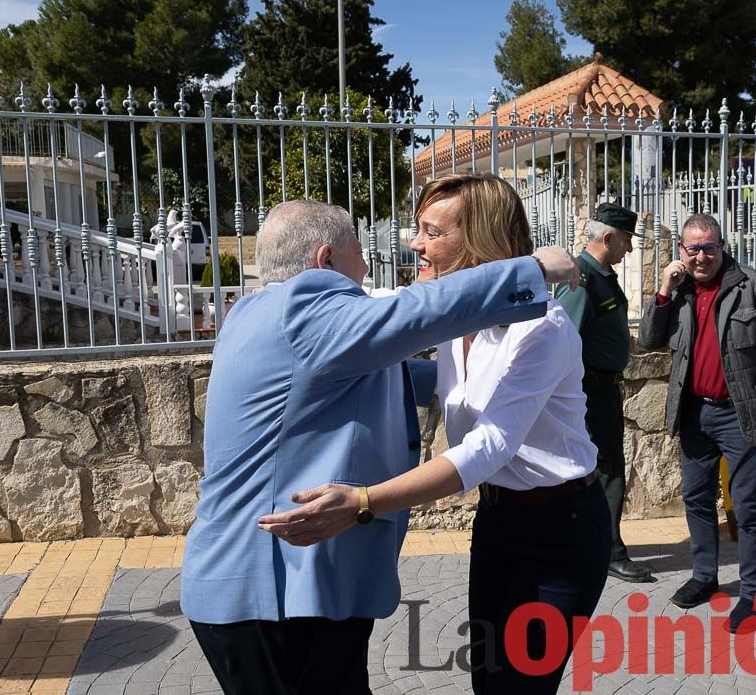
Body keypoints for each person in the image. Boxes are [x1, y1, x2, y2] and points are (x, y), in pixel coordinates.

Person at [180, 198, 580, 695]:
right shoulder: (306, 311)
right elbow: (414, 313)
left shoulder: (256, 311)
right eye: (359, 253)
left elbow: (383, 372)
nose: (369, 267)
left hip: (284, 590)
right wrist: (533, 270)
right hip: (271, 598)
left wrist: (503, 384)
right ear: (325, 261)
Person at [637, 213, 756, 633]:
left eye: (709, 247)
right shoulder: (681, 291)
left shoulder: (754, 286)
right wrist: (663, 291)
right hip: (695, 412)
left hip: (742, 413)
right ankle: (705, 577)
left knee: (747, 507)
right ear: (682, 251)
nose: (702, 256)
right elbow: (649, 340)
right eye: (693, 248)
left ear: (722, 245)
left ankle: (753, 597)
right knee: (696, 498)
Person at [555, 202, 655, 584]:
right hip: (589, 393)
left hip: (600, 390)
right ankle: (609, 551)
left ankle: (593, 545)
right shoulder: (583, 280)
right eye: (627, 239)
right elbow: (562, 342)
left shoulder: (600, 275)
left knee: (601, 471)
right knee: (607, 471)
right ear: (608, 237)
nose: (629, 248)